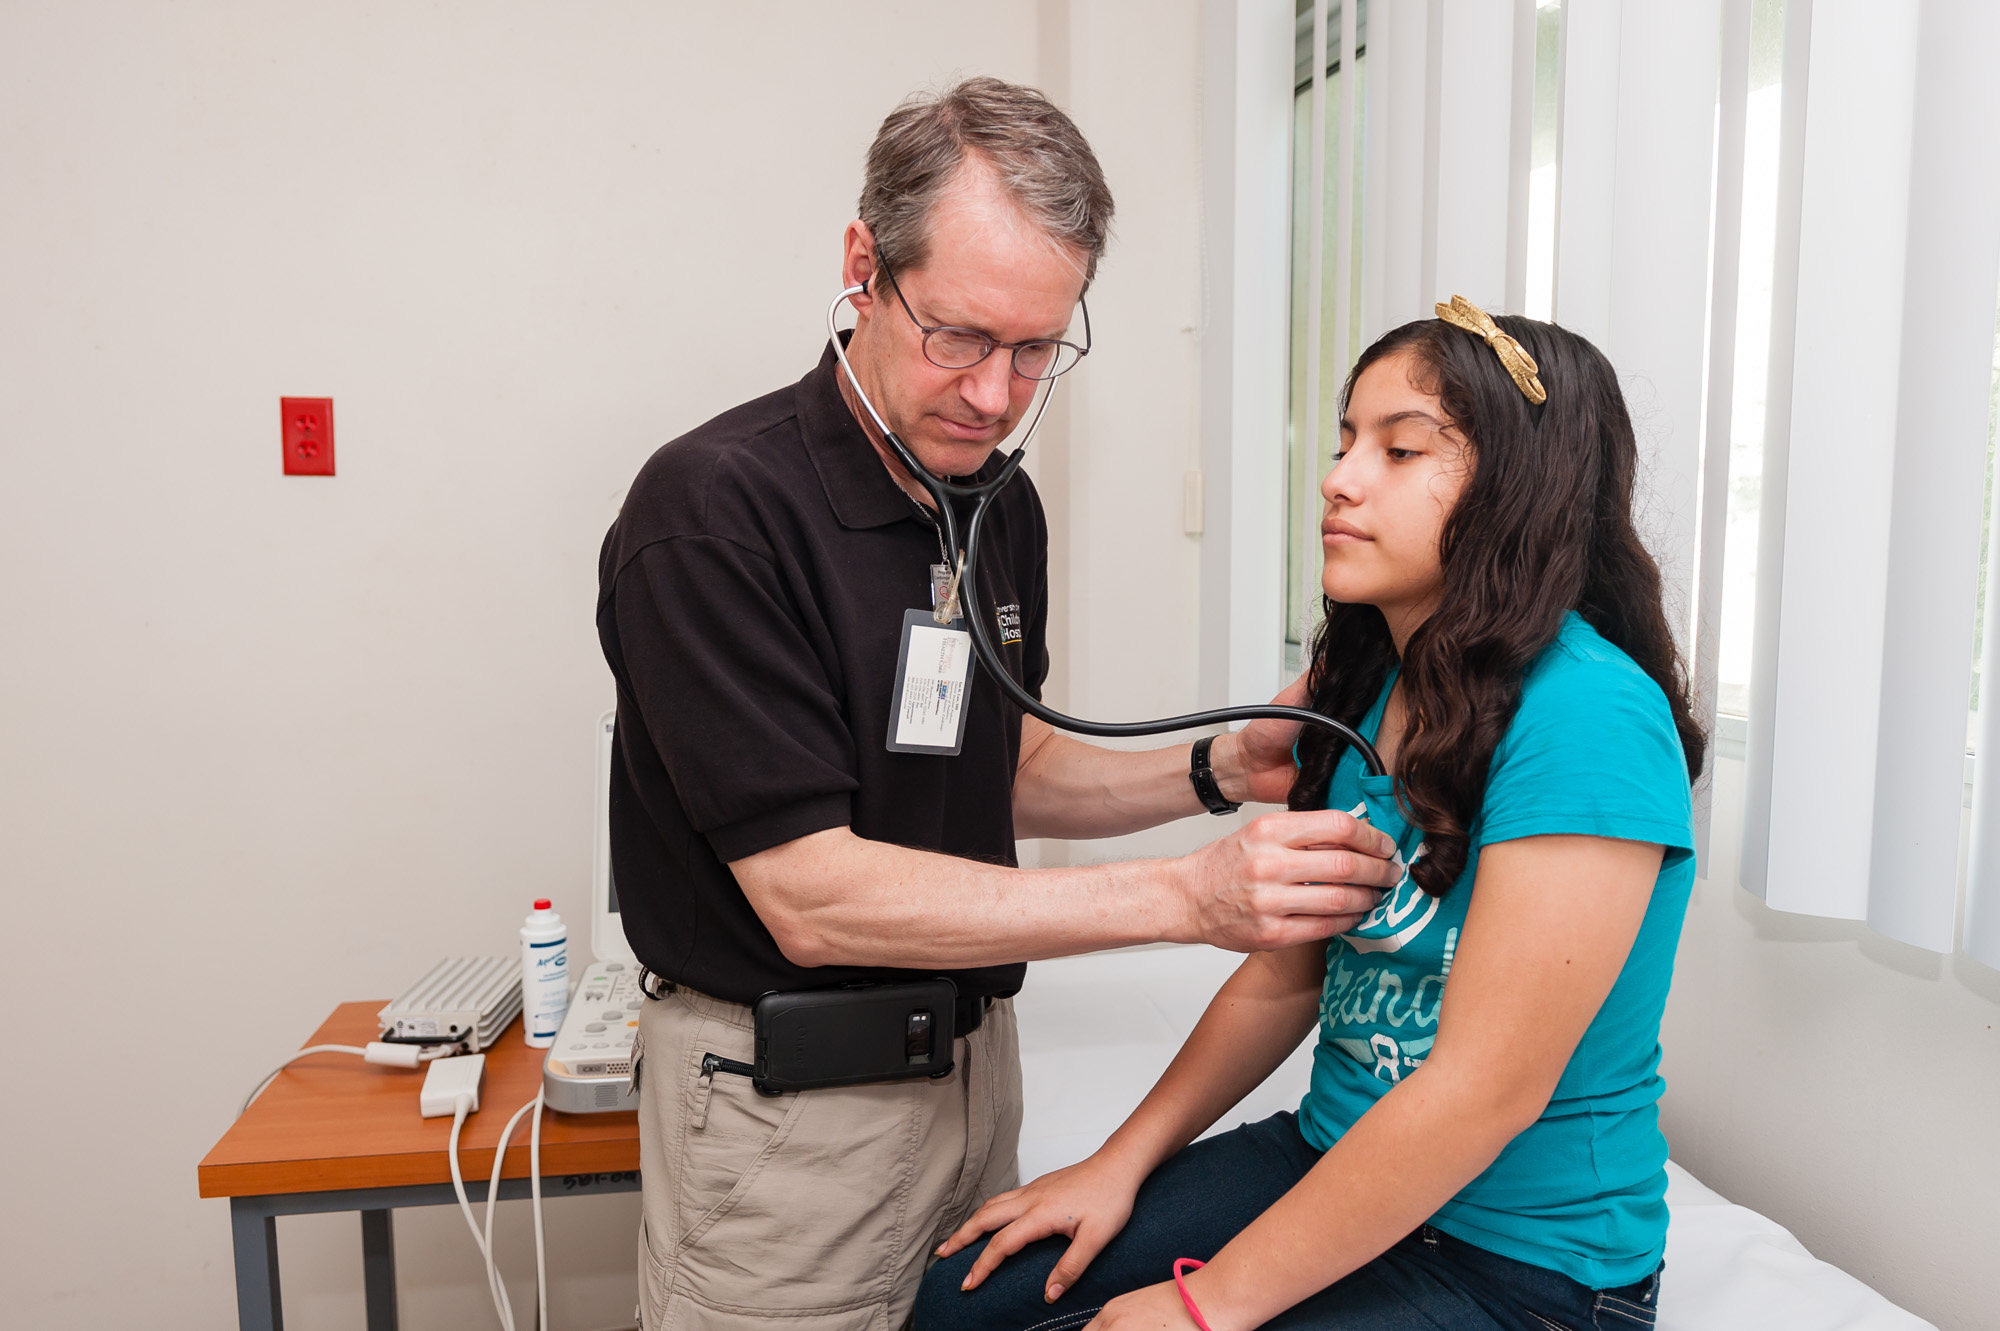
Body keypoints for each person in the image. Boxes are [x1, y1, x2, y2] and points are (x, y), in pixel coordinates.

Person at [596, 77, 1401, 1330]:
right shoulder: (712, 515)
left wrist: (1219, 768)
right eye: (960, 338)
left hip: (973, 1074)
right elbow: (811, 894)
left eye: (1036, 351)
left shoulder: (990, 501)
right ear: (863, 270)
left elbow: (1002, 769)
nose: (993, 394)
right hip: (789, 1117)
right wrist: (1187, 897)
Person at [918, 303, 1707, 1331]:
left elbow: (1481, 1091)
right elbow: (1284, 974)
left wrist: (1208, 1306)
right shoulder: (1369, 690)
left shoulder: (1587, 717)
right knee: (963, 1305)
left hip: (1518, 1262)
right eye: (1344, 443)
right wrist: (1116, 1164)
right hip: (1332, 1153)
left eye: (1399, 449)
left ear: (1521, 486)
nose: (1338, 479)